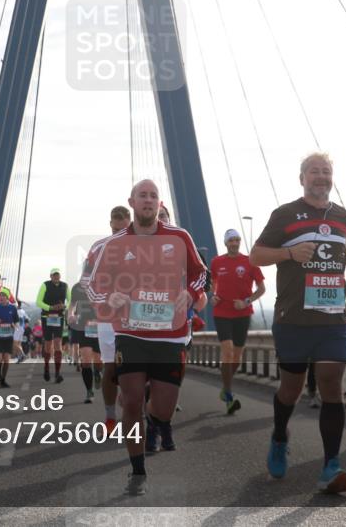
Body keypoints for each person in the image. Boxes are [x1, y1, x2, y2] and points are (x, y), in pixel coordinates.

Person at [249, 152, 346, 494]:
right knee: (291, 389)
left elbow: (335, 251)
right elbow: (256, 255)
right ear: (302, 178)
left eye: (326, 171)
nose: (321, 176)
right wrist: (289, 253)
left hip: (332, 320)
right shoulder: (285, 214)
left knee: (331, 382)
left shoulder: (343, 216)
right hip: (294, 319)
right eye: (314, 171)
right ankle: (279, 437)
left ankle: (331, 465)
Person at [86, 180, 209, 496]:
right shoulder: (115, 244)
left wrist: (190, 292)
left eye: (153, 196)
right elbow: (93, 284)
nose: (148, 200)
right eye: (142, 195)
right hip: (131, 332)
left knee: (163, 410)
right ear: (132, 202)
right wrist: (108, 297)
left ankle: (156, 422)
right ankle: (137, 470)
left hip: (170, 336)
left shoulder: (179, 237)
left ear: (159, 203)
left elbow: (201, 274)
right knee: (132, 401)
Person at [210, 228, 265, 415]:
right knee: (228, 352)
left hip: (243, 314)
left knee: (236, 357)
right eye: (231, 240)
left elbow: (261, 289)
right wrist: (213, 296)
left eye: (237, 240)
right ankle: (229, 396)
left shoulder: (250, 262)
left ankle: (225, 388)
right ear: (225, 243)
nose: (234, 243)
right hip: (221, 313)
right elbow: (212, 283)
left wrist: (246, 302)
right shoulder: (217, 262)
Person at [91, 206, 131, 432]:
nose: (119, 234)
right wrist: (106, 299)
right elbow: (87, 283)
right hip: (108, 317)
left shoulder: (144, 247)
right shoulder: (99, 247)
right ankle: (110, 416)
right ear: (110, 225)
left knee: (136, 366)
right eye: (116, 230)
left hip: (136, 317)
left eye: (123, 229)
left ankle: (133, 412)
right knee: (111, 367)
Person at [67, 267, 102, 404]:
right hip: (83, 327)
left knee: (98, 360)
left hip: (99, 326)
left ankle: (97, 372)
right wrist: (70, 314)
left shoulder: (102, 285)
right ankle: (89, 391)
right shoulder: (76, 288)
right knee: (86, 360)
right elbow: (72, 304)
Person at [37, 268, 68, 383]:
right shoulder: (45, 285)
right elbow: (38, 302)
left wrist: (65, 306)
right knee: (48, 344)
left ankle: (57, 373)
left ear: (60, 276)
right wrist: (50, 308)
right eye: (54, 275)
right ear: (50, 276)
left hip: (59, 318)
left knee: (58, 344)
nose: (56, 277)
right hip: (47, 317)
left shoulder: (65, 286)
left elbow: (70, 300)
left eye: (58, 275)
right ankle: (46, 367)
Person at [0, 289, 20, 387]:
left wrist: (14, 326)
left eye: (3, 295)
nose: (1, 297)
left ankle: (3, 380)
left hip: (8, 338)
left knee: (6, 360)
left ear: (7, 297)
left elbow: (16, 321)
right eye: (0, 295)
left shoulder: (13, 308)